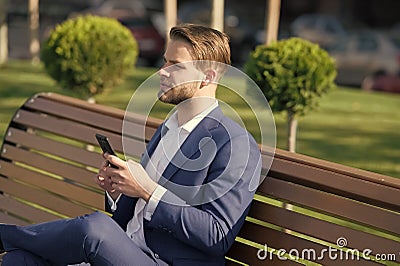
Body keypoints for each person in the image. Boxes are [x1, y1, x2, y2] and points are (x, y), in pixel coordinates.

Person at [0, 23, 262, 266]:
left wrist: (148, 190)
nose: (162, 71)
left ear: (208, 76)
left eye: (175, 65)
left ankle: (3, 235)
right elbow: (133, 212)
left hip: (164, 261)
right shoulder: (169, 127)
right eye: (164, 62)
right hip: (125, 251)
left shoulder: (235, 145)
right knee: (19, 260)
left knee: (94, 228)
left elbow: (217, 236)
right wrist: (118, 191)